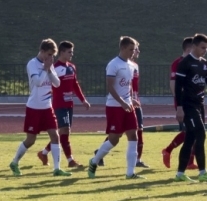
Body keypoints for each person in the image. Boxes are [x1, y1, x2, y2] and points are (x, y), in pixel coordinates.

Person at [173, 33, 207, 182]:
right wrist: (179, 107)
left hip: (199, 105)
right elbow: (178, 87)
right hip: (188, 105)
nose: (205, 50)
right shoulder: (185, 63)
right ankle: (202, 172)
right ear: (194, 46)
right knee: (201, 134)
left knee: (190, 138)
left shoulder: (205, 64)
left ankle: (180, 174)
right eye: (203, 47)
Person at [8, 39, 65, 176]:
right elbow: (38, 82)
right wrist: (45, 69)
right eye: (49, 54)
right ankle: (14, 162)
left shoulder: (49, 65)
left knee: (55, 136)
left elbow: (57, 84)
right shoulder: (32, 64)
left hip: (47, 107)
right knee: (30, 140)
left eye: (52, 55)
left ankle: (57, 169)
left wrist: (49, 70)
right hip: (34, 108)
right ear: (42, 51)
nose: (51, 58)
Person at [86, 36, 140, 179]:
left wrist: (131, 100)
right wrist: (122, 102)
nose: (133, 52)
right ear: (122, 48)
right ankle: (94, 161)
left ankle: (130, 173)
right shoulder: (113, 64)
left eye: (134, 50)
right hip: (115, 107)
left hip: (127, 105)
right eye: (131, 49)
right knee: (114, 139)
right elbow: (110, 87)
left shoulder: (131, 65)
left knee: (133, 136)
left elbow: (127, 85)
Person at [40, 40, 90, 168]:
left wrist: (83, 100)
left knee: (63, 132)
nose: (71, 54)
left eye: (72, 52)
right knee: (64, 131)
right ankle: (70, 160)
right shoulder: (55, 68)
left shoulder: (71, 67)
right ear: (62, 52)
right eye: (69, 52)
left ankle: (44, 153)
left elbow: (75, 85)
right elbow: (50, 85)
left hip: (69, 104)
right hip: (59, 104)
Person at [161, 37, 199, 170]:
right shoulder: (178, 63)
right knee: (191, 130)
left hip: (194, 102)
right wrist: (179, 104)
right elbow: (173, 84)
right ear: (189, 49)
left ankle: (173, 153)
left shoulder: (196, 62)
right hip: (184, 103)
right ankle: (174, 154)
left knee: (192, 131)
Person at [130, 42, 148, 170]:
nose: (138, 51)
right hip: (127, 102)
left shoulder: (135, 65)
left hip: (136, 102)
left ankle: (138, 160)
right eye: (136, 49)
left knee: (140, 129)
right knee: (118, 132)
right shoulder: (123, 65)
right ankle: (99, 153)